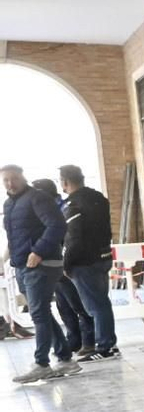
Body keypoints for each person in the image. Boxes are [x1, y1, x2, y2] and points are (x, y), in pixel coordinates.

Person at [4, 164, 73, 383]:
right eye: (5, 180)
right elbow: (15, 236)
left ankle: (42, 363)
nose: (10, 183)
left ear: (23, 177)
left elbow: (57, 225)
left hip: (42, 264)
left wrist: (38, 251)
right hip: (22, 265)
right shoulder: (9, 204)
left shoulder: (38, 198)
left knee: (38, 313)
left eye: (14, 178)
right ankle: (65, 358)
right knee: (41, 311)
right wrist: (5, 259)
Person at [59, 163, 119, 360]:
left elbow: (74, 238)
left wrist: (66, 264)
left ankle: (105, 347)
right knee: (102, 302)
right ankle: (108, 343)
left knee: (96, 306)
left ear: (65, 182)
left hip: (84, 262)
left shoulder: (73, 205)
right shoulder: (99, 199)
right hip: (103, 256)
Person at [30, 178, 93, 363]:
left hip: (65, 262)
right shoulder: (44, 209)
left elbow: (69, 238)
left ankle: (89, 341)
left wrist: (66, 261)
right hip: (52, 263)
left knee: (77, 304)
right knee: (63, 306)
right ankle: (73, 341)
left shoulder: (61, 208)